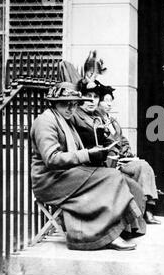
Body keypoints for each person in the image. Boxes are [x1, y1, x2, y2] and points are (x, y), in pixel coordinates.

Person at [30, 81, 146, 251]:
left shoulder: (64, 120)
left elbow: (74, 152)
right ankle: (105, 236)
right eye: (65, 104)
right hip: (49, 181)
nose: (70, 109)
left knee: (118, 178)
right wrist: (87, 154)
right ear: (55, 103)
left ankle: (122, 229)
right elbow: (52, 159)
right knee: (110, 177)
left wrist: (96, 153)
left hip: (66, 175)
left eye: (74, 104)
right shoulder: (45, 122)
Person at [71, 52, 161, 224]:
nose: (91, 101)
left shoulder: (100, 117)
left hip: (115, 159)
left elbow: (119, 138)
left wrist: (125, 151)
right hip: (97, 165)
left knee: (143, 166)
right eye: (87, 97)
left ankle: (148, 209)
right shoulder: (76, 116)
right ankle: (135, 217)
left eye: (95, 97)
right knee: (131, 178)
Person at [97, 85, 162, 224]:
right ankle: (145, 211)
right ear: (98, 102)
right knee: (141, 167)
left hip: (122, 159)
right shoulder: (96, 122)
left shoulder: (112, 121)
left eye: (111, 100)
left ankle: (148, 209)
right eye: (105, 101)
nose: (109, 104)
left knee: (144, 166)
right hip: (110, 162)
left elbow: (122, 139)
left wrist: (128, 152)